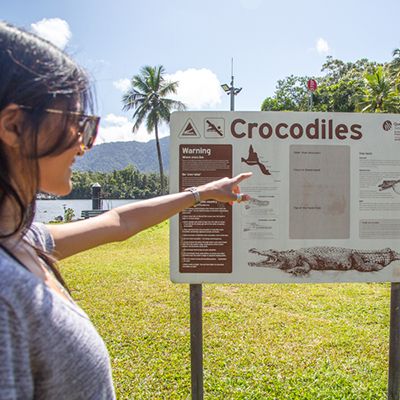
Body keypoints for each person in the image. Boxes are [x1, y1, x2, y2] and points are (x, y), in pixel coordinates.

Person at [0, 21, 252, 399]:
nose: (84, 145)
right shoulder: (5, 294)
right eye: (78, 125)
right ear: (14, 125)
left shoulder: (23, 241)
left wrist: (203, 192)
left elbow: (120, 220)